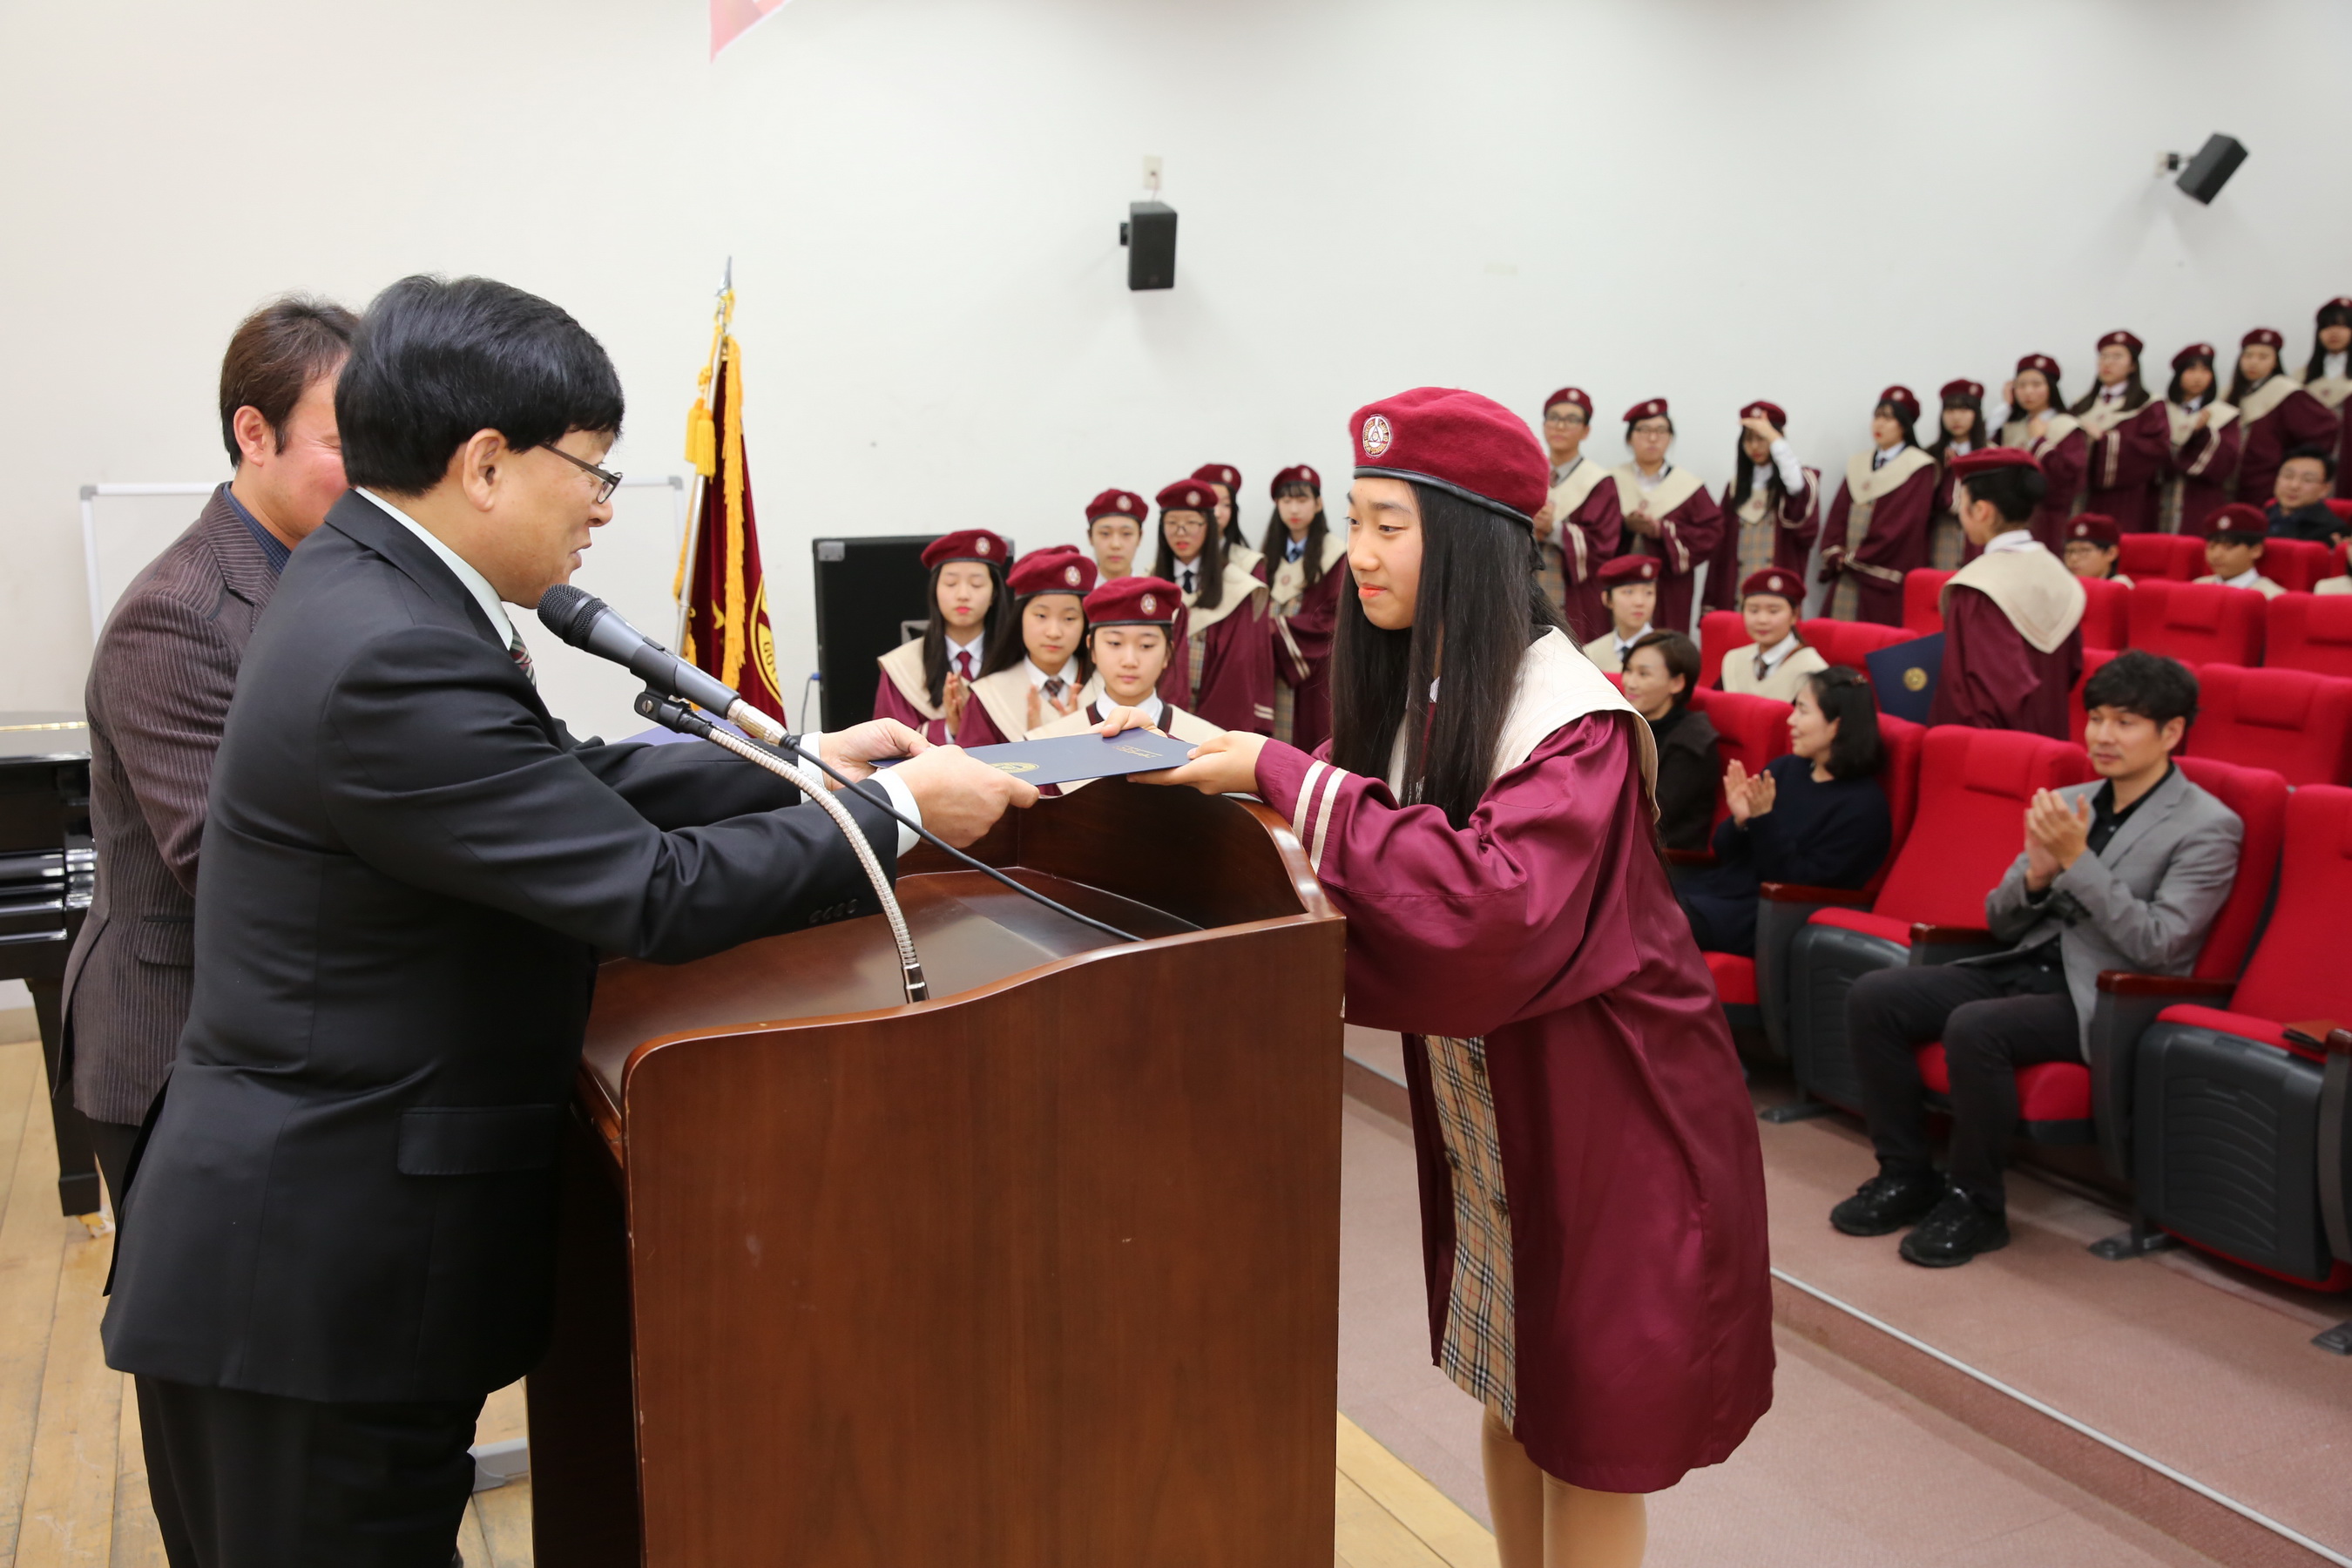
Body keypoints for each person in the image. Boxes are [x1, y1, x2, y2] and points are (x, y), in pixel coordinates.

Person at [99, 274, 1034, 1565]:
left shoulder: (374, 586)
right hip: (309, 1288)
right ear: (485, 465)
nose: (603, 505)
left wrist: (810, 767)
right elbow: (648, 891)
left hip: (324, 1269)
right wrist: (894, 820)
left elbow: (563, 783)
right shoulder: (388, 645)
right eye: (592, 469)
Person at [1125, 385, 1772, 1565]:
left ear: (1471, 542)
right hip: (1500, 1106)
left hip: (1613, 1114)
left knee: (1586, 1428)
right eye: (1353, 521)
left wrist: (1275, 770)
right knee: (1514, 1385)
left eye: (1389, 525)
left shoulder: (1570, 720)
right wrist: (1210, 770)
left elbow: (1486, 907)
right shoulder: (1436, 691)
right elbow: (1351, 830)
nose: (1358, 554)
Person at [58, 294, 358, 1207]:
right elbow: (221, 861)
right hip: (175, 1046)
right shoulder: (174, 615)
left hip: (293, 1037)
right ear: (254, 434)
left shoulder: (333, 574)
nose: (375, 473)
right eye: (344, 443)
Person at [1834, 651, 2240, 1267]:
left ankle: (1977, 1204)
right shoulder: (2071, 799)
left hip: (2103, 996)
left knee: (1976, 1027)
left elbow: (2159, 944)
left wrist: (2077, 861)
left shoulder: (2208, 827)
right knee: (1876, 995)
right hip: (2022, 966)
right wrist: (2038, 877)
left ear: (2172, 732)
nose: (2103, 736)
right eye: (2096, 718)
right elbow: (2000, 919)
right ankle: (1906, 1173)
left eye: (2125, 722)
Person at [1680, 667, 1892, 957]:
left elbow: (1796, 884)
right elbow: (1725, 853)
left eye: (1803, 711)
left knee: (1655, 921)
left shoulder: (1863, 808)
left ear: (1836, 725)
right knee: (1629, 901)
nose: (1791, 721)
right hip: (1722, 890)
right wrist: (1741, 820)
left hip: (1765, 916)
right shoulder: (1785, 769)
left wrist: (1763, 820)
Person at [1929, 448, 2085, 739]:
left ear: (1981, 511)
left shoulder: (1979, 587)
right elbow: (2072, 667)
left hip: (1996, 748)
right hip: (2051, 738)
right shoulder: (2059, 575)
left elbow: (1970, 696)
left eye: (1963, 502)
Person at [1029, 575, 1222, 765]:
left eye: (1146, 645)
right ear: (1092, 648)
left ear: (1167, 653)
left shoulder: (1209, 744)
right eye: (1115, 643)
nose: (1130, 661)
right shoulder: (1049, 743)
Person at [1152, 476, 1277, 733]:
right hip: (1156, 720)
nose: (1181, 533)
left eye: (1192, 523)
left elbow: (1236, 671)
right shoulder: (1150, 586)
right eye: (1172, 524)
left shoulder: (1236, 588)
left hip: (1214, 721)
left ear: (1209, 527)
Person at [872, 529, 1015, 743]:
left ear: (994, 593)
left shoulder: (1015, 660)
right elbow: (886, 745)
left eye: (976, 584)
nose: (963, 595)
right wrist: (950, 730)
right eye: (951, 584)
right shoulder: (902, 668)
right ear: (935, 591)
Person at [1601, 398, 1722, 636]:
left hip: (1669, 586)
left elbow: (1711, 533)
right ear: (1629, 438)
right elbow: (1594, 531)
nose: (1653, 438)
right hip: (1618, 585)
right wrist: (1624, 526)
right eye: (1644, 430)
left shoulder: (1688, 487)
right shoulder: (1609, 482)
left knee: (1666, 645)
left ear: (1670, 438)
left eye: (1661, 431)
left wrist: (1661, 531)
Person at [956, 545, 1096, 746]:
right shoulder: (989, 696)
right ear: (1019, 617)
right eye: (1041, 615)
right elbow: (969, 764)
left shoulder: (1107, 687)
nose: (1054, 632)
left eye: (1069, 618)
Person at [1820, 386, 1936, 625]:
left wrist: (1858, 558)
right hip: (1847, 574)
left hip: (1883, 577)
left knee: (1875, 637)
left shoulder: (1918, 466)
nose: (1879, 424)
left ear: (1905, 424)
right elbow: (1839, 513)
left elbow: (1904, 523)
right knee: (1838, 636)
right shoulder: (1858, 463)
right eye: (1877, 416)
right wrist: (1836, 552)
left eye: (1889, 418)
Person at [1262, 463, 1347, 750]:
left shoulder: (1335, 556)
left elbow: (1334, 616)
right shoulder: (1267, 556)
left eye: (1302, 499)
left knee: (1310, 740)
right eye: (1286, 500)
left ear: (1318, 504)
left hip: (1312, 672)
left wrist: (1275, 630)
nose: (1294, 509)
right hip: (1271, 666)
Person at [1706, 401, 1819, 612]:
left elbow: (1795, 486)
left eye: (1762, 438)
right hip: (1737, 590)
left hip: (1776, 591)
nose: (1755, 447)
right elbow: (1720, 551)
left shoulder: (1793, 485)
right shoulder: (1735, 488)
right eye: (1749, 439)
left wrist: (1775, 439)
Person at [1533, 386, 1620, 640]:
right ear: (1544, 425)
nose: (1560, 426)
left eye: (1571, 420)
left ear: (1586, 430)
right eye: (1554, 418)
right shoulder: (1529, 472)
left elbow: (1604, 544)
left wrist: (1554, 529)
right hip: (1527, 587)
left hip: (1573, 596)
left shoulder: (1599, 482)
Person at [1620, 631, 1718, 852]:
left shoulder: (1693, 742)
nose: (1630, 682)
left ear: (1677, 683)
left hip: (1667, 858)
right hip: (1623, 844)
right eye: (1628, 670)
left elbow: (1652, 817)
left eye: (1643, 674)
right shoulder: (1625, 723)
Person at [2072, 330, 2171, 534]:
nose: (2108, 363)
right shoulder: (2081, 406)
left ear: (2133, 365)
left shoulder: (2149, 406)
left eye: (2117, 357)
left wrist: (2105, 440)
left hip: (2129, 499)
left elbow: (2157, 449)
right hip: (2083, 497)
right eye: (2103, 356)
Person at [2230, 327, 2337, 508]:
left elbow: (2325, 426)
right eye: (2248, 356)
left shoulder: (2286, 392)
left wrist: (2291, 465)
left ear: (2275, 362)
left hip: (2267, 483)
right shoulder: (2233, 394)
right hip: (2233, 482)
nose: (2253, 363)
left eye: (2263, 357)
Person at [1998, 354, 2087, 548]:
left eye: (2036, 384)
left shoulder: (2066, 426)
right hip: (2014, 520)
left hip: (2053, 518)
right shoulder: (2011, 428)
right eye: (2021, 385)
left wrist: (2039, 442)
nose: (2028, 392)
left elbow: (2070, 476)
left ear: (2051, 388)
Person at [2161, 344, 2240, 537]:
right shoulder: (2161, 411)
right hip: (2161, 496)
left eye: (2205, 370)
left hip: (2201, 498)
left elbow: (2226, 461)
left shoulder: (2224, 415)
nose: (2198, 377)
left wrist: (2201, 435)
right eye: (2191, 370)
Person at [1719, 566, 1828, 700]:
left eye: (1773, 611)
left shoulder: (1811, 669)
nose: (1762, 620)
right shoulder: (1734, 660)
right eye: (1753, 610)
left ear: (1794, 615)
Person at [1928, 379, 1991, 569]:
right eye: (1950, 410)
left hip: (1981, 536)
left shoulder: (1990, 454)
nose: (1956, 418)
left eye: (1964, 410)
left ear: (1977, 414)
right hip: (1942, 536)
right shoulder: (1930, 455)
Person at [2300, 298, 2352, 498]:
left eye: (2342, 326)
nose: (2334, 333)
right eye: (2327, 326)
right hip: (2310, 460)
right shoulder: (2301, 378)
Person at [1581, 554, 1659, 671]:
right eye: (1628, 592)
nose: (1640, 602)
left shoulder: (1669, 653)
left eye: (1649, 593)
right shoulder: (1591, 654)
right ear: (1607, 599)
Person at [2193, 504, 2285, 598]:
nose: (2216, 555)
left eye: (2228, 547)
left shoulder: (2271, 596)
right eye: (2211, 547)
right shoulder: (2197, 587)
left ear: (2255, 550)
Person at [2265, 446, 2346, 544]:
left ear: (2325, 489)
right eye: (2288, 476)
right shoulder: (2259, 518)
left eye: (2308, 480)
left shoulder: (2333, 532)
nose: (2294, 486)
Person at [1190, 461, 1260, 573]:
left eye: (1226, 504)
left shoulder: (1249, 563)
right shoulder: (1182, 557)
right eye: (1211, 504)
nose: (1217, 513)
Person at [1084, 488, 1149, 580]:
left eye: (1126, 534)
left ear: (1140, 537)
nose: (1115, 545)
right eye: (1105, 533)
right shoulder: (1073, 590)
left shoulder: (1153, 589)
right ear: (1090, 537)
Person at [2060, 513, 2131, 585]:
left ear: (2110, 553)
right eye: (2069, 551)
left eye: (2084, 550)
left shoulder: (2119, 585)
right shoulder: (2065, 584)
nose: (2073, 558)